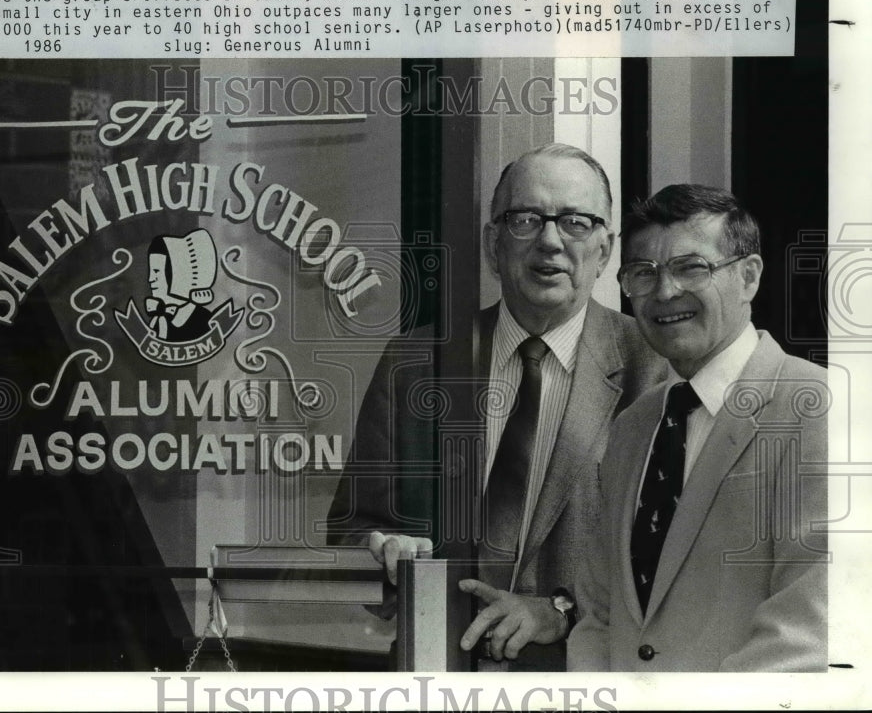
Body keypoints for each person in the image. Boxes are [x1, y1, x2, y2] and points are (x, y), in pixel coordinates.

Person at [326, 143, 667, 668]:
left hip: (584, 682)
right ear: (494, 243)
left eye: (576, 222)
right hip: (434, 674)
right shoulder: (416, 362)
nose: (550, 241)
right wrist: (382, 551)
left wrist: (560, 609)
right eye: (525, 219)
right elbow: (349, 530)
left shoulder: (654, 370)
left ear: (605, 250)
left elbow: (670, 559)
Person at [567, 184, 828, 671]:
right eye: (643, 273)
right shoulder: (632, 428)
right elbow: (599, 616)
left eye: (692, 268)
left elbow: (807, 634)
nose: (665, 292)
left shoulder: (817, 409)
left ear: (749, 277)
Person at [144, 228, 217, 341]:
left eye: (156, 272)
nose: (150, 279)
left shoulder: (204, 320)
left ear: (176, 274)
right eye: (151, 272)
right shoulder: (156, 321)